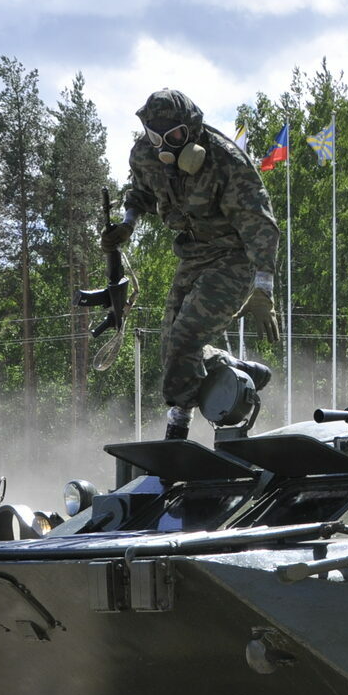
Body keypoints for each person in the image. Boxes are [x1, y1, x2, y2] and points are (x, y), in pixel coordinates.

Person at [101, 89, 281, 441]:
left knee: (184, 340)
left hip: (233, 257)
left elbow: (260, 226)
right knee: (170, 349)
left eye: (175, 137)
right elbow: (140, 193)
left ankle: (178, 427)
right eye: (156, 137)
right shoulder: (144, 155)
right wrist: (127, 224)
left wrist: (263, 289)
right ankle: (232, 366)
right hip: (193, 255)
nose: (164, 146)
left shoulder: (226, 162)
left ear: (192, 130)